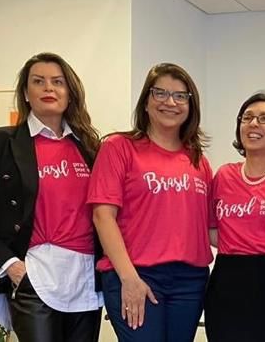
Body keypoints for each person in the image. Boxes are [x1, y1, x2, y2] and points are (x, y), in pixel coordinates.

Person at [0, 52, 103, 342]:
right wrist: (11, 266)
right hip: (33, 274)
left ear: (70, 93)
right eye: (38, 81)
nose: (49, 88)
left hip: (85, 277)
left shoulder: (90, 147)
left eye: (58, 82)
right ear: (26, 93)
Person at [88, 63, 213, 342]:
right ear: (146, 101)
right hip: (136, 273)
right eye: (160, 93)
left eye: (180, 96)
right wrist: (129, 278)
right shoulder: (118, 147)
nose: (170, 102)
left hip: (190, 280)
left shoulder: (198, 161)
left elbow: (209, 227)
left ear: (191, 106)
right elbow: (102, 216)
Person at [204, 92, 265, 341]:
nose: (253, 124)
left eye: (264, 119)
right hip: (228, 282)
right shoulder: (224, 175)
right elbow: (212, 231)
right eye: (247, 117)